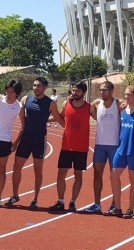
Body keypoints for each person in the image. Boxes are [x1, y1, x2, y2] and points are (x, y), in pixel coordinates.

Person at [5, 77, 64, 209]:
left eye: (38, 86)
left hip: (39, 140)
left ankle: (35, 199)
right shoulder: (26, 99)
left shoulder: (50, 103)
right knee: (16, 167)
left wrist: (49, 121)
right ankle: (15, 195)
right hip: (25, 139)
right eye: (34, 85)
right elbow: (17, 112)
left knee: (37, 171)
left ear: (44, 88)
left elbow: (59, 118)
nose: (35, 88)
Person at [48, 81, 95, 212]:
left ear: (84, 93)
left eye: (77, 91)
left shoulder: (89, 107)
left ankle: (73, 202)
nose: (74, 93)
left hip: (81, 148)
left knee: (78, 175)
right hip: (66, 146)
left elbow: (100, 119)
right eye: (73, 91)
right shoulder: (66, 104)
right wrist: (44, 120)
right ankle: (61, 201)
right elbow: (60, 117)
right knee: (61, 174)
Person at [103, 85, 134, 218]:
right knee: (113, 176)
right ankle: (117, 207)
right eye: (126, 94)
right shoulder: (122, 110)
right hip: (121, 149)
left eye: (129, 95)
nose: (126, 97)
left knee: (132, 179)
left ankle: (130, 209)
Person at [83, 81, 121, 213]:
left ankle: (115, 203)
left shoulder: (118, 104)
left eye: (104, 90)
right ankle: (97, 204)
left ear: (111, 91)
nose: (101, 92)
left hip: (114, 146)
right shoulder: (97, 104)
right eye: (100, 90)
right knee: (97, 174)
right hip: (100, 145)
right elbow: (92, 115)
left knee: (114, 176)